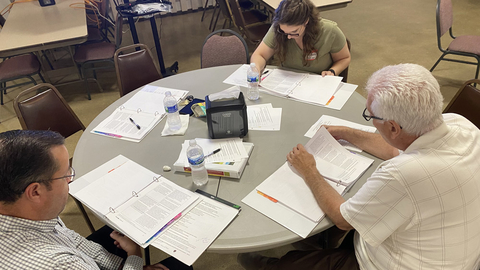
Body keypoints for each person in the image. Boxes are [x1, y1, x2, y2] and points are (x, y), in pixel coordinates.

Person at [238, 64, 480, 270]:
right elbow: (395, 147)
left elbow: (344, 219)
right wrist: (345, 132)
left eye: (371, 116)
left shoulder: (402, 174)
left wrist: (309, 169)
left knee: (295, 263)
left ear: (394, 127)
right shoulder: (460, 125)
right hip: (453, 251)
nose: (371, 122)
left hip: (398, 263)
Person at [0, 130, 192, 270]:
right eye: (66, 174)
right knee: (181, 265)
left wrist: (121, 264)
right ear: (35, 192)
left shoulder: (31, 212)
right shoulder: (60, 264)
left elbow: (71, 240)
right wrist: (134, 256)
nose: (70, 179)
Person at [250, 0, 350, 76]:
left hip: (318, 82)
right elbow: (260, 55)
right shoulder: (277, 29)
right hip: (288, 82)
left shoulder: (330, 31)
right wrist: (256, 70)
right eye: (284, 32)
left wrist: (332, 71)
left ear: (306, 21)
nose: (289, 37)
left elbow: (344, 58)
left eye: (294, 32)